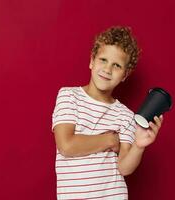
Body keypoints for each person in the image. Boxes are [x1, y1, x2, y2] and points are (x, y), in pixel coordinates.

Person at [51, 26, 163, 199]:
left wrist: (139, 146)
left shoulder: (125, 116)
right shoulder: (69, 96)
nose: (107, 69)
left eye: (116, 65)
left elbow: (124, 167)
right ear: (91, 61)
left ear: (125, 75)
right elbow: (67, 145)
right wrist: (110, 139)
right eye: (103, 60)